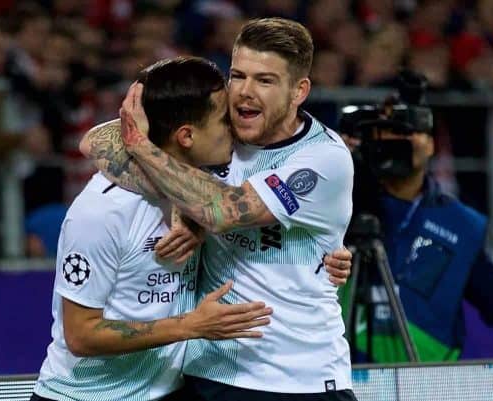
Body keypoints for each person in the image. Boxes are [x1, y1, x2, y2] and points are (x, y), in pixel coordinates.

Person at [82, 17, 357, 401]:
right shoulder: (216, 128)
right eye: (238, 75)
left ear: (299, 91)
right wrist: (186, 211)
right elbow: (96, 143)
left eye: (265, 81)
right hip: (207, 371)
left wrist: (146, 150)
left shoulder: (321, 159)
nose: (244, 92)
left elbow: (223, 212)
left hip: (296, 377)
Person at [31, 56, 275, 401]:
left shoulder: (211, 187)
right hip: (86, 396)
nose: (234, 129)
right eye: (223, 120)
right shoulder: (103, 211)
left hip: (169, 392)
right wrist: (192, 326)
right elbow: (81, 335)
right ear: (186, 135)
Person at [339, 74, 493, 363]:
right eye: (388, 133)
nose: (398, 142)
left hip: (425, 381)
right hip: (342, 374)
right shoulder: (338, 204)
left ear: (431, 143)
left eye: (408, 133)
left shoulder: (462, 225)